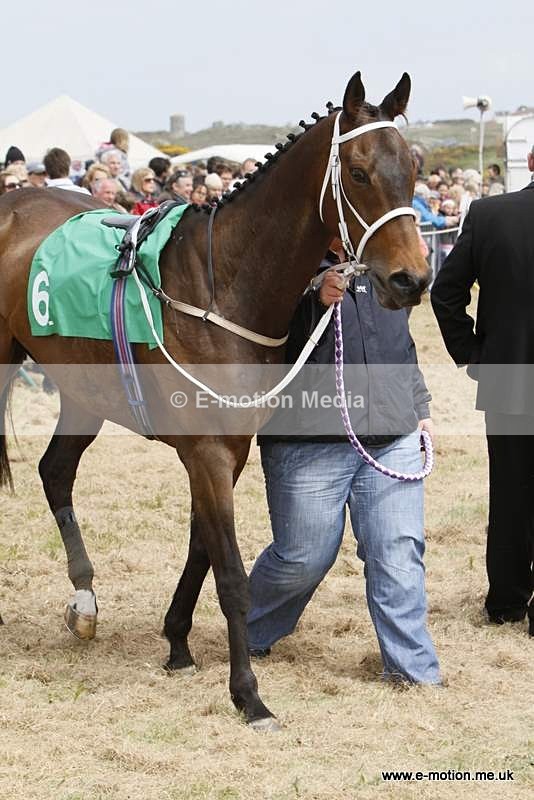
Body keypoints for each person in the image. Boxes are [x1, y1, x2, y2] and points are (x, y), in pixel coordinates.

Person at [246, 240, 441, 685]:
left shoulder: (388, 263)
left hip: (393, 434)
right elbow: (254, 339)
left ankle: (414, 673)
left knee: (398, 553)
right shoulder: (284, 261)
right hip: (307, 437)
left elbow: (401, 344)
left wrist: (421, 405)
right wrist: (311, 298)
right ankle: (248, 630)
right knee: (303, 557)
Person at [431, 146, 534, 637]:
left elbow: (445, 291)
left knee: (511, 491)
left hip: (506, 375)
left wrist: (472, 353)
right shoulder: (490, 212)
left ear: (530, 164)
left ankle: (507, 601)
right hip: (506, 374)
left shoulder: (490, 214)